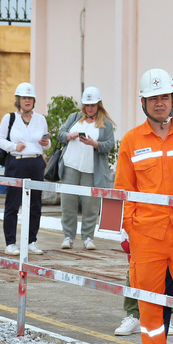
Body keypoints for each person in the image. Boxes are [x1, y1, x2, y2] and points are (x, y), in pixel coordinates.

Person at [113, 68, 173, 344]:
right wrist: (130, 228)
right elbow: (123, 189)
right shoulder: (131, 141)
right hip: (146, 234)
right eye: (152, 98)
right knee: (148, 297)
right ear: (143, 103)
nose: (159, 103)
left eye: (164, 97)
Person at [57, 86, 116, 250]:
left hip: (92, 170)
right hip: (71, 166)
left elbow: (109, 145)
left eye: (93, 105)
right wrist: (70, 136)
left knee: (91, 206)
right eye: (87, 105)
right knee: (68, 204)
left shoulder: (106, 124)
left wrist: (94, 144)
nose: (89, 108)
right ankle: (68, 236)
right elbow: (61, 134)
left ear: (99, 104)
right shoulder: (74, 118)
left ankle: (88, 237)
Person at [0, 82, 50, 256]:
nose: (27, 101)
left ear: (34, 100)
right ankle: (10, 242)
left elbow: (46, 145)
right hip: (16, 163)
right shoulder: (9, 118)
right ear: (18, 100)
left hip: (35, 163)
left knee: (35, 205)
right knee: (12, 203)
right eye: (24, 98)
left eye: (30, 98)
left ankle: (31, 240)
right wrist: (13, 146)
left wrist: (46, 143)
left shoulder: (41, 119)